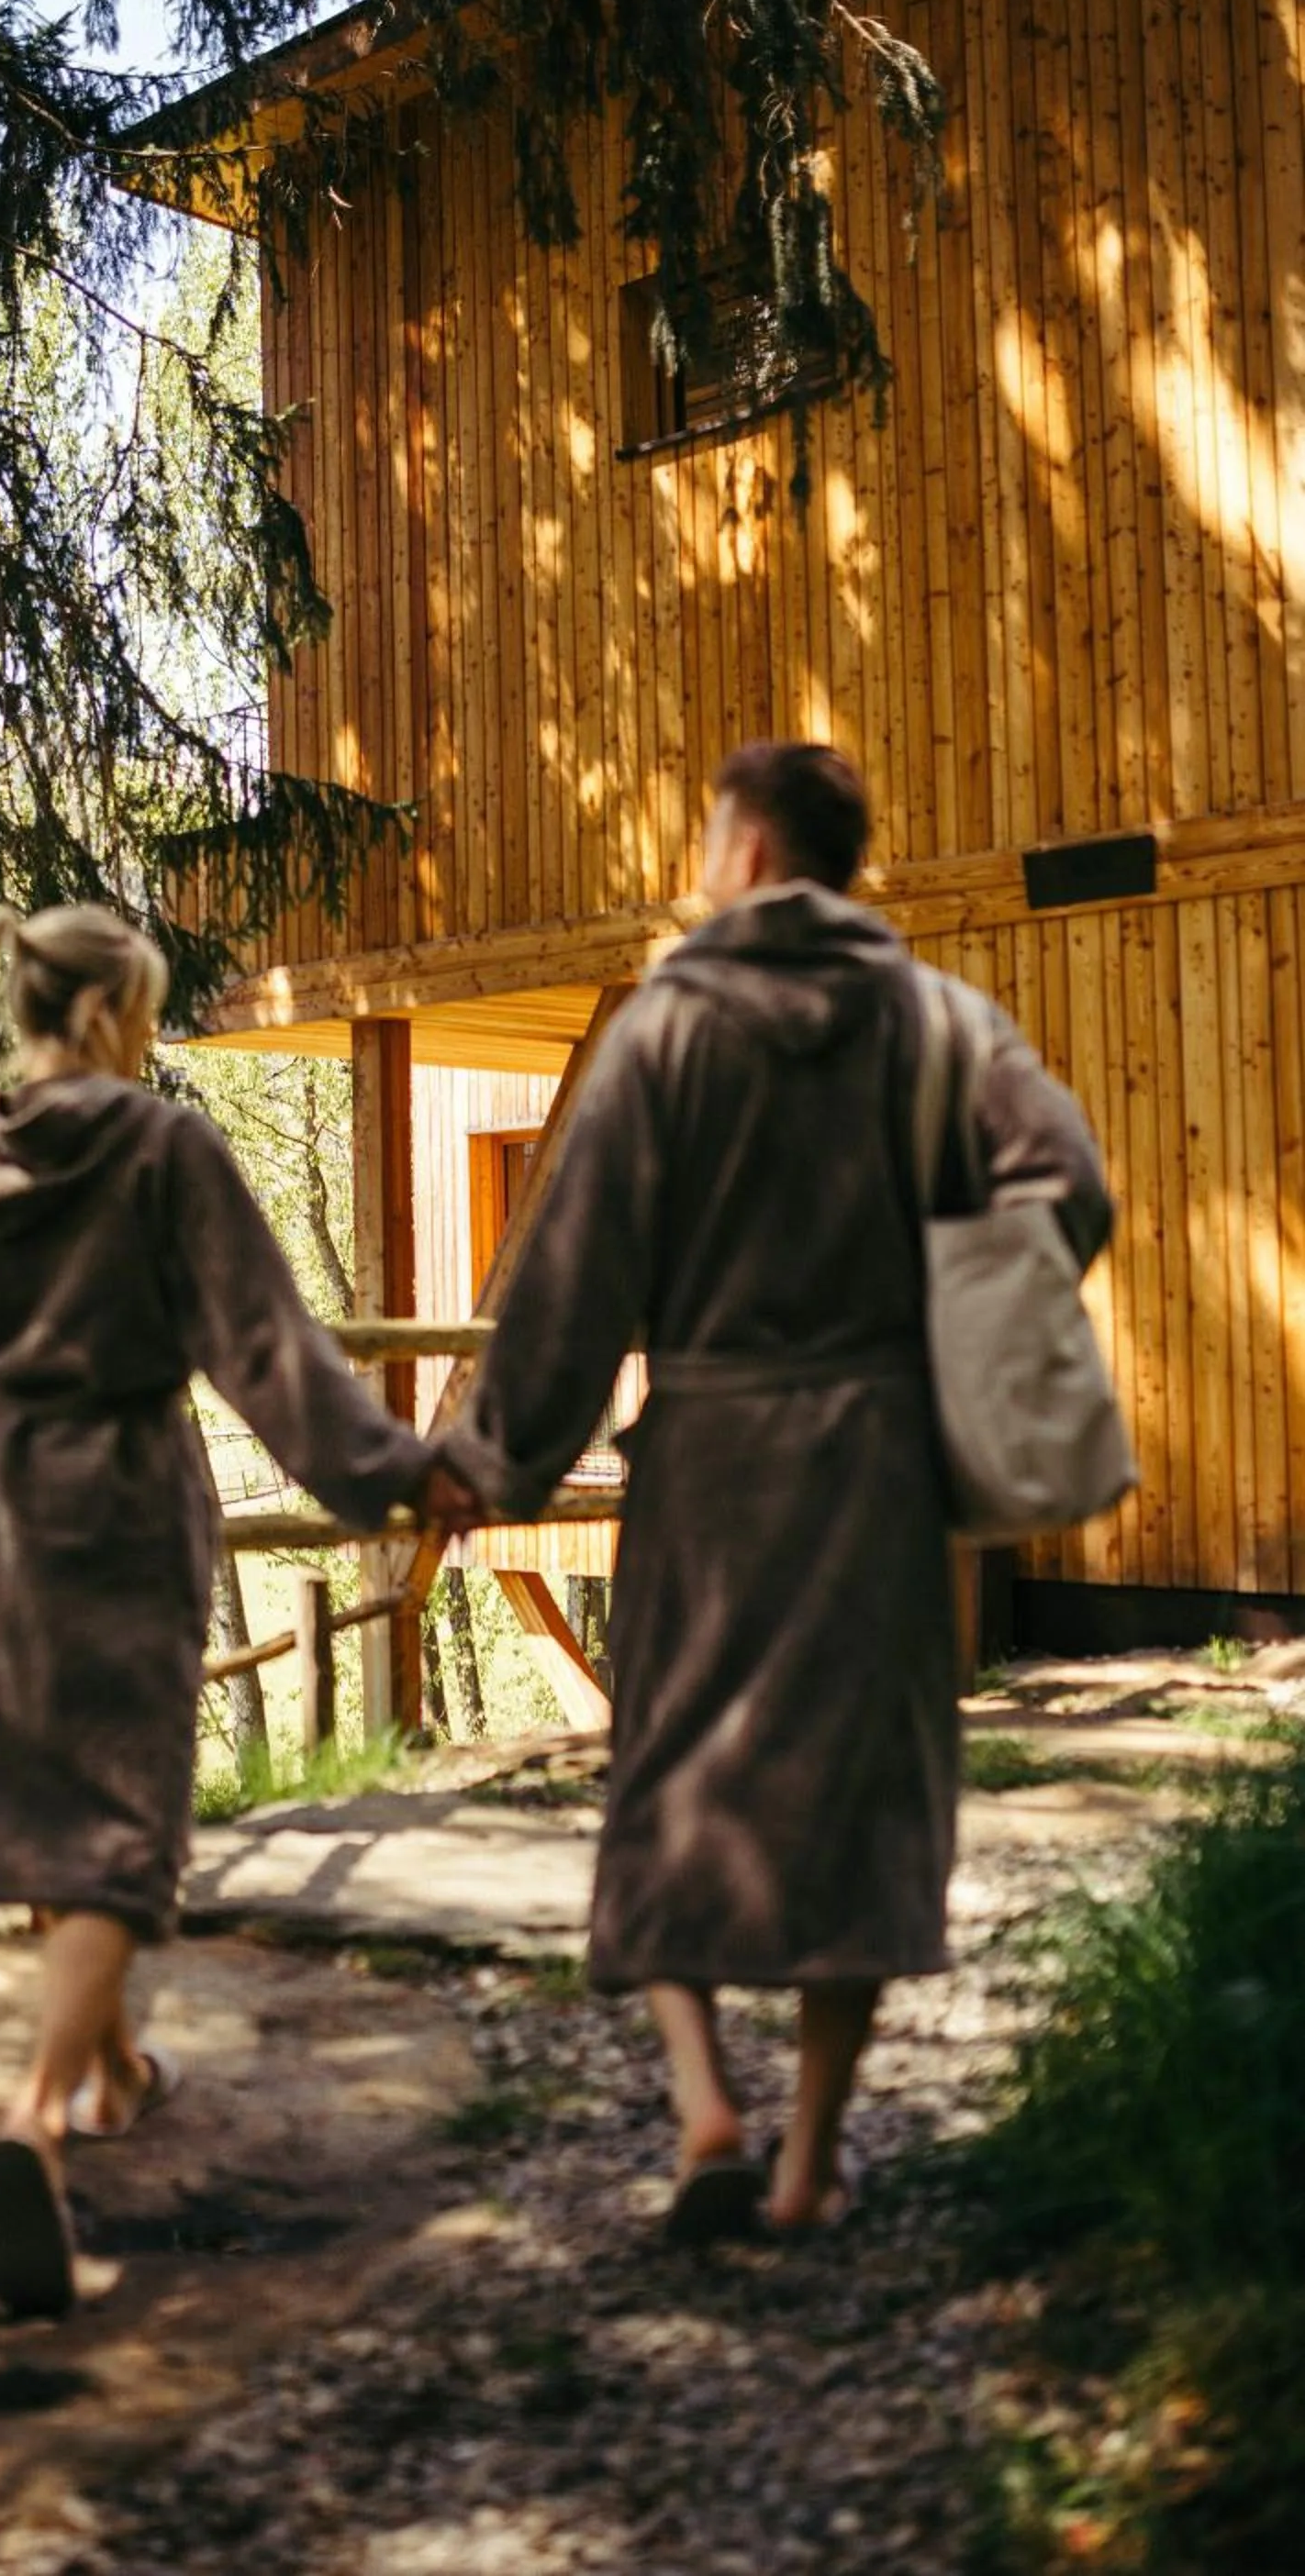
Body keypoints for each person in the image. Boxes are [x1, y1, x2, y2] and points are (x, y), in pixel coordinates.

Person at [438, 743, 1113, 2238]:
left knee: (668, 1779)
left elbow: (575, 1274)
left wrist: (493, 1461)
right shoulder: (937, 1023)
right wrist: (951, 1312)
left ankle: (703, 2117)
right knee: (857, 1796)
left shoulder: (668, 1030)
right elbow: (1069, 1187)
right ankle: (810, 2158)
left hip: (711, 1469)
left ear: (741, 852)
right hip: (877, 1467)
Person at [0, 900, 451, 2315]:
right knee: (128, 1826)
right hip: (127, 1496)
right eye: (144, 1010)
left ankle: (115, 2080)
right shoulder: (162, 1148)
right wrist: (383, 1472)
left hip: (2, 1509)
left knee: (48, 1816)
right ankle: (31, 2119)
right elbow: (263, 1344)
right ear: (108, 1016)